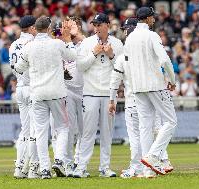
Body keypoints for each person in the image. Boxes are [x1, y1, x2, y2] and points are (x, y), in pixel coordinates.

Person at [109, 18, 173, 179]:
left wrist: (112, 100)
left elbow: (114, 82)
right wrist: (171, 80)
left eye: (125, 29)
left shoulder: (125, 55)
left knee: (140, 134)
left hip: (135, 97)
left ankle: (143, 166)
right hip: (152, 92)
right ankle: (159, 162)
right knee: (156, 128)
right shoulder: (146, 48)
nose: (124, 32)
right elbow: (163, 61)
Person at [14, 16, 77, 179]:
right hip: (57, 93)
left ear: (36, 28)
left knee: (41, 132)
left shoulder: (29, 47)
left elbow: (19, 68)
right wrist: (68, 40)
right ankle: (59, 160)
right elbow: (72, 56)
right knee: (62, 127)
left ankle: (44, 169)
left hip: (37, 93)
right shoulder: (57, 44)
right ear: (49, 29)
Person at [124, 7, 177, 175]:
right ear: (147, 19)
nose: (154, 19)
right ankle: (154, 156)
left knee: (145, 127)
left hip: (137, 88)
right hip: (155, 85)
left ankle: (148, 171)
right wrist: (172, 80)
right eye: (152, 17)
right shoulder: (152, 35)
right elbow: (164, 59)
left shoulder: (130, 38)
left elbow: (128, 64)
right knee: (171, 121)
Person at [73, 13, 123, 178]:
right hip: (90, 93)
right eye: (94, 25)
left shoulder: (117, 43)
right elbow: (80, 66)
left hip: (109, 95)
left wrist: (111, 55)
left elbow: (122, 69)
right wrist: (94, 53)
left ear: (107, 25)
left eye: (99, 24)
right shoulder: (87, 43)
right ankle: (81, 167)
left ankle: (105, 167)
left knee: (107, 133)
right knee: (88, 132)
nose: (96, 28)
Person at [51, 17, 86, 177]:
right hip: (67, 91)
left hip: (85, 91)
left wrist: (74, 34)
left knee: (85, 130)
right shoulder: (59, 44)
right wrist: (61, 36)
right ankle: (68, 163)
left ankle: (80, 163)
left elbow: (87, 44)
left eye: (72, 25)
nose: (67, 28)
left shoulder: (84, 43)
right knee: (69, 129)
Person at [9, 15, 40, 179]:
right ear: (32, 27)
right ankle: (34, 169)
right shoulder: (33, 43)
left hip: (20, 87)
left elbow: (14, 68)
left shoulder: (13, 45)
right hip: (32, 88)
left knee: (24, 130)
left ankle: (19, 167)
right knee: (36, 130)